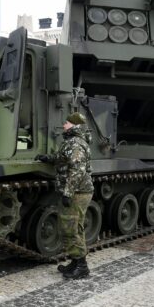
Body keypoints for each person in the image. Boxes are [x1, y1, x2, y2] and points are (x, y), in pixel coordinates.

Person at [35, 112, 94, 279]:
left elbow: (77, 170)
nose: (64, 125)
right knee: (73, 227)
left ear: (75, 126)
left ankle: (82, 267)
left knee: (71, 227)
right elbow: (63, 159)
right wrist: (48, 158)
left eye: (67, 123)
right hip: (78, 190)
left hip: (78, 192)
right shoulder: (71, 142)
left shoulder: (75, 143)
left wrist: (68, 193)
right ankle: (75, 263)